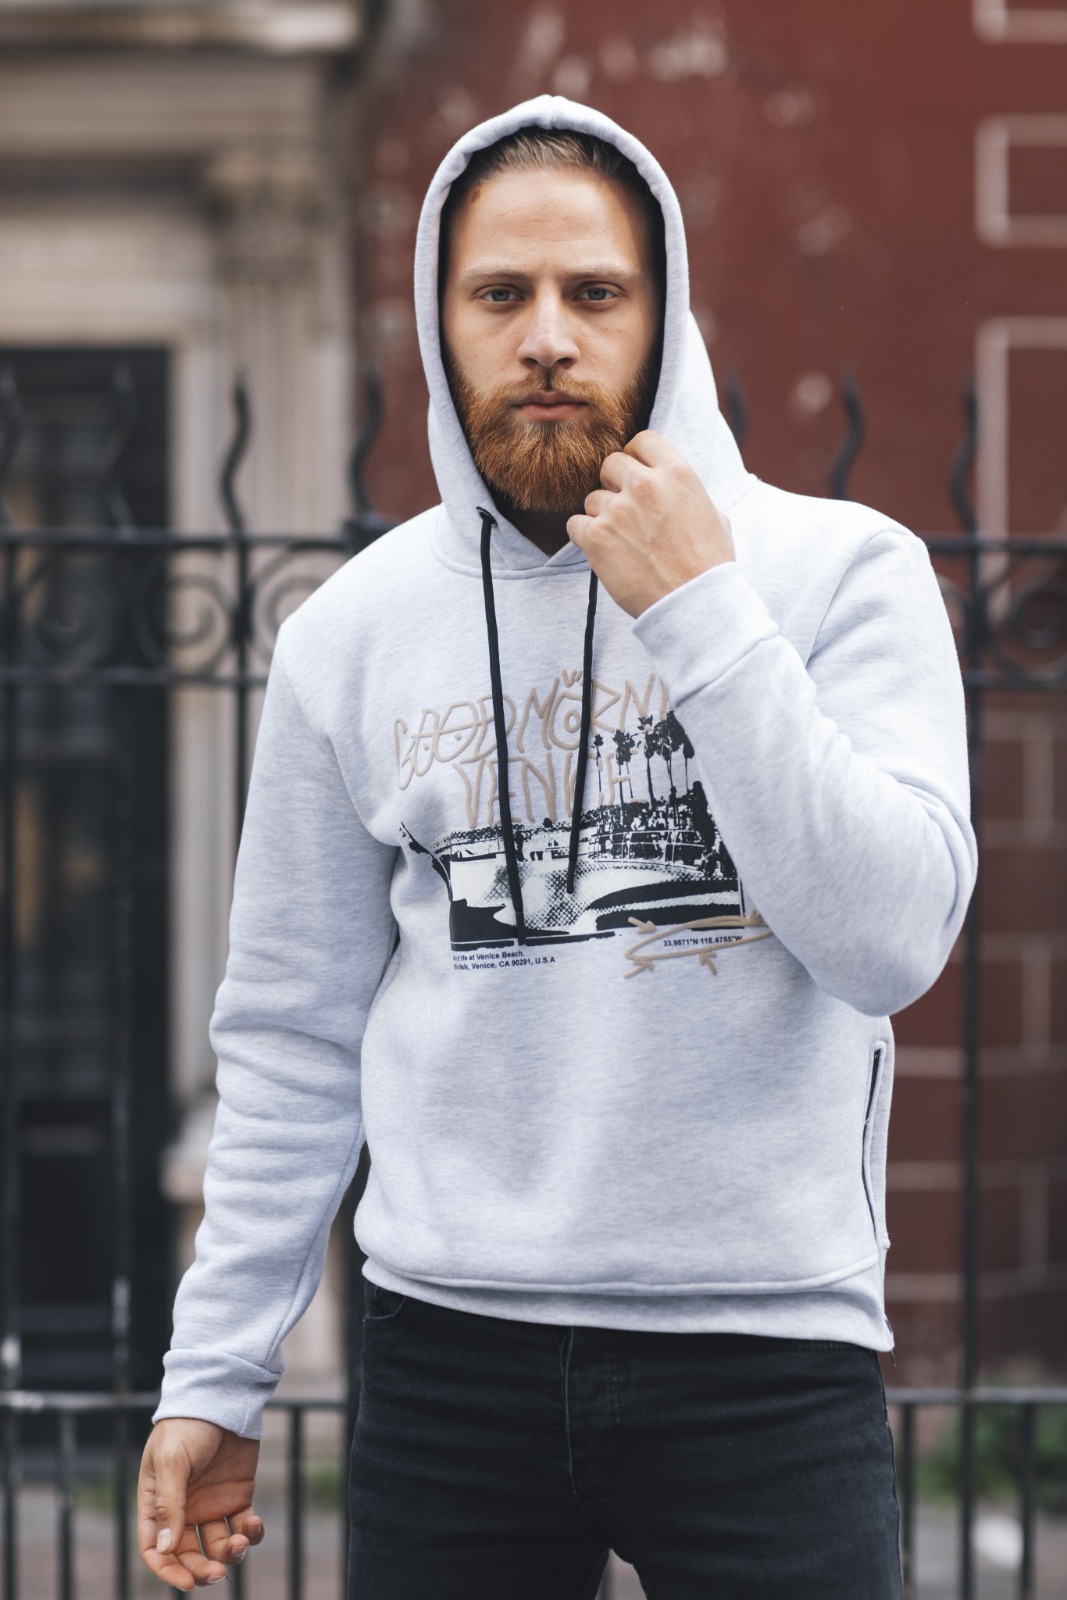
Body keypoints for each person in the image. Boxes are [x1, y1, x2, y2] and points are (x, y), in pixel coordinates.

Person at [138, 96, 976, 1598]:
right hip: (450, 1359)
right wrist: (218, 1369)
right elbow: (290, 1037)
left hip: (766, 1352)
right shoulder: (351, 635)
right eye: (498, 294)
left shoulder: (842, 574)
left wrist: (701, 611)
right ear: (437, 322)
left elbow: (892, 941)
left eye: (594, 292)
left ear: (664, 317)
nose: (545, 339)